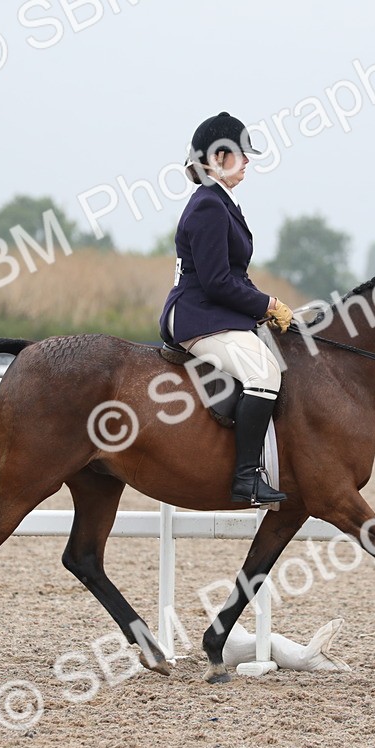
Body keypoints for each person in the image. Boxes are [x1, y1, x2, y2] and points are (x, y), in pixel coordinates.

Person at [158, 111, 294, 506]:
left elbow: (233, 274)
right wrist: (266, 302)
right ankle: (245, 479)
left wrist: (266, 308)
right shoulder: (209, 206)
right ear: (217, 158)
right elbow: (217, 282)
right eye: (241, 154)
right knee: (265, 375)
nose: (248, 161)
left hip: (215, 312)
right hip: (198, 315)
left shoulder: (221, 202)